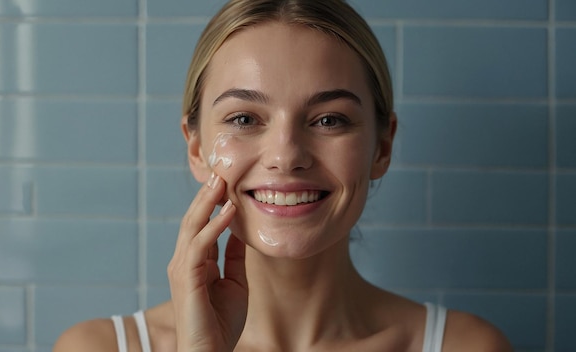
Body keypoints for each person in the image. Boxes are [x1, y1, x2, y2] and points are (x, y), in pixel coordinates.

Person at [54, 0, 512, 351]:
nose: (287, 155)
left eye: (329, 119)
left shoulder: (464, 345)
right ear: (195, 148)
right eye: (244, 119)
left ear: (382, 147)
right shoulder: (99, 346)